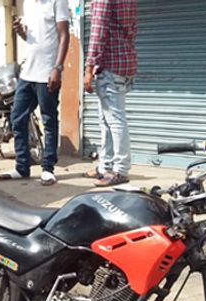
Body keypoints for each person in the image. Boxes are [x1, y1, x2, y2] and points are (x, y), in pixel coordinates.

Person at [0, 0, 69, 186]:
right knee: (17, 118)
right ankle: (22, 167)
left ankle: (47, 168)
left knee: (49, 120)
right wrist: (21, 32)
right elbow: (32, 38)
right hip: (27, 73)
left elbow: (63, 35)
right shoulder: (28, 3)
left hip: (47, 73)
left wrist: (58, 68)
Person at [83, 0, 137, 187]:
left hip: (111, 65)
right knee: (106, 120)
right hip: (124, 62)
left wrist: (88, 68)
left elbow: (98, 32)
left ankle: (121, 170)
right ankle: (104, 166)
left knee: (114, 119)